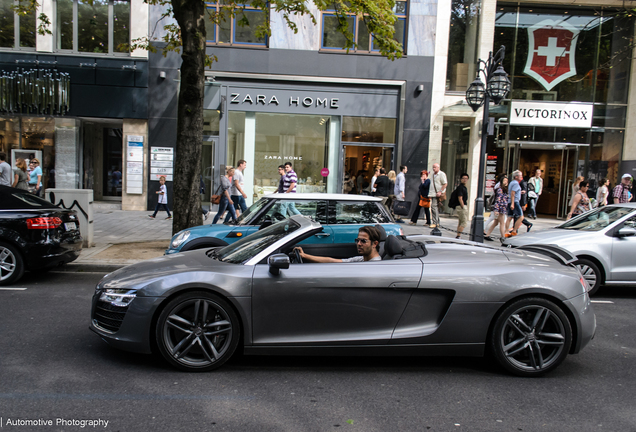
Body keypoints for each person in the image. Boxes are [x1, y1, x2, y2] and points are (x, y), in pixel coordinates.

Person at [295, 226, 381, 263]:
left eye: (363, 241)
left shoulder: (375, 265)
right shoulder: (362, 259)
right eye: (357, 240)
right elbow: (333, 261)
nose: (358, 244)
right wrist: (305, 256)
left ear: (375, 244)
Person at [484, 176, 509, 241]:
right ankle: (503, 237)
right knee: (502, 223)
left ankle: (487, 235)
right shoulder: (500, 190)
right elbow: (498, 200)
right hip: (500, 209)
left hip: (502, 208)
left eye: (507, 181)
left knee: (496, 223)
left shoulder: (504, 190)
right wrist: (496, 209)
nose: (506, 182)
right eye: (504, 181)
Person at [504, 170, 525, 238]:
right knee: (521, 216)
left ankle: (506, 231)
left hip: (511, 201)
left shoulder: (512, 183)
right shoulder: (516, 183)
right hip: (515, 201)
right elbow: (513, 193)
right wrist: (513, 204)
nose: (521, 177)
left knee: (510, 217)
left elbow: (513, 192)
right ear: (516, 177)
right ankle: (514, 230)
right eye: (520, 176)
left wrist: (520, 192)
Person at [427, 163, 447, 229]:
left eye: (435, 167)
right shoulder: (433, 175)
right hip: (433, 193)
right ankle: (437, 222)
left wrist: (440, 191)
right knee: (434, 207)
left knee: (434, 207)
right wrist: (430, 194)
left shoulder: (441, 174)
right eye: (433, 167)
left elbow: (445, 184)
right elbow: (432, 185)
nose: (433, 168)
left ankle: (435, 222)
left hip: (438, 194)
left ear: (438, 167)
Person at [452, 173, 469, 239]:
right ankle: (458, 236)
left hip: (461, 206)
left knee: (460, 221)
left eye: (466, 178)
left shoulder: (464, 187)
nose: (465, 180)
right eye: (463, 178)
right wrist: (463, 206)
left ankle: (458, 235)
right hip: (461, 206)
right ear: (461, 179)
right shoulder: (460, 188)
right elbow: (460, 197)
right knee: (464, 222)